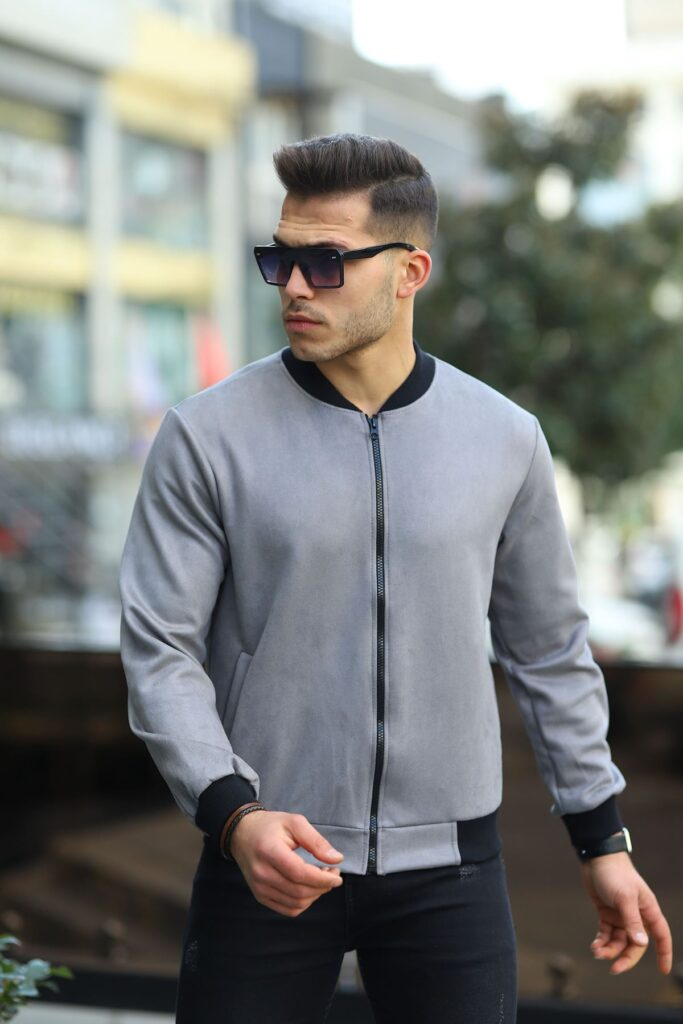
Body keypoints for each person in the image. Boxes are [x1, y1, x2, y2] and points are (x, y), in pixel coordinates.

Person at [119, 133, 673, 1024]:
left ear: (410, 271)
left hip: (451, 874)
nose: (294, 287)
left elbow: (547, 650)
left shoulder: (504, 438)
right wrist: (233, 814)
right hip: (266, 852)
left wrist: (599, 837)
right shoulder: (206, 436)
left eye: (325, 262)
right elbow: (160, 651)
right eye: (279, 258)